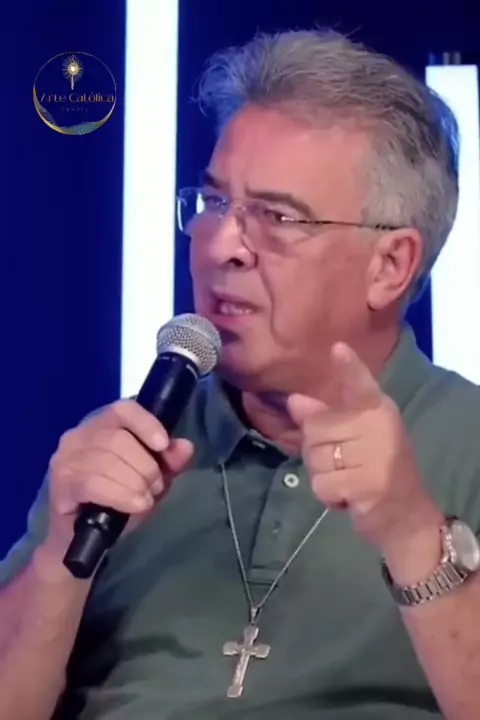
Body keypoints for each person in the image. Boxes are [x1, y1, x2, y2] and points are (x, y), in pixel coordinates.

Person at [1, 27, 480, 720]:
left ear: (390, 265)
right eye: (216, 203)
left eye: (277, 217)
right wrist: (57, 563)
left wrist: (413, 536)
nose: (221, 244)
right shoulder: (125, 448)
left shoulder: (467, 442)